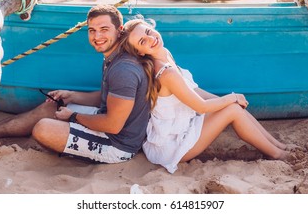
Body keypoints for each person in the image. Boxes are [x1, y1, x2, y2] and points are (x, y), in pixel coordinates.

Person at [0, 5, 151, 164]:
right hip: (108, 123)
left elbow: (112, 125)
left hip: (118, 145)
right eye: (92, 30)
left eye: (104, 29)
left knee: (44, 129)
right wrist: (72, 96)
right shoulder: (113, 57)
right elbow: (107, 98)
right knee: (50, 108)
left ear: (119, 31)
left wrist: (73, 116)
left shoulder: (124, 69)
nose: (97, 36)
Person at [119, 18, 295, 173]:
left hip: (184, 127)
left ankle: (279, 146)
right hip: (172, 146)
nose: (151, 38)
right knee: (232, 108)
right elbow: (201, 107)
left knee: (232, 105)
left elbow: (193, 90)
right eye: (143, 41)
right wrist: (232, 98)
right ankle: (278, 154)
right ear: (140, 53)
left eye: (149, 32)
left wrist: (227, 99)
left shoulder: (164, 54)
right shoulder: (165, 73)